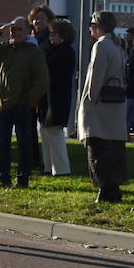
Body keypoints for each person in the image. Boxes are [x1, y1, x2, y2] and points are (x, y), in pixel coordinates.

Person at [0, 16, 49, 189]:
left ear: (27, 32)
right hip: (1, 106)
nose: (14, 32)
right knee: (2, 144)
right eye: (13, 28)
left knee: (24, 144)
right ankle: (3, 177)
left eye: (19, 29)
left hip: (22, 105)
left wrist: (28, 100)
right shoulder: (5, 48)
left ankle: (22, 179)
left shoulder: (34, 52)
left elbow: (42, 81)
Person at [80, 11, 129, 203]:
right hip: (114, 106)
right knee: (114, 150)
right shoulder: (117, 45)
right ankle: (113, 188)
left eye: (92, 24)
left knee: (98, 150)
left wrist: (89, 101)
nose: (90, 28)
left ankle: (105, 189)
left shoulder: (100, 46)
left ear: (99, 26)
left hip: (100, 106)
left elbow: (95, 79)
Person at [41, 19, 77, 176]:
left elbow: (48, 64)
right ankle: (48, 166)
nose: (51, 36)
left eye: (54, 33)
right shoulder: (53, 49)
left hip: (58, 97)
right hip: (48, 97)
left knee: (55, 132)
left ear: (62, 36)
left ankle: (62, 169)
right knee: (45, 131)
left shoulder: (66, 51)